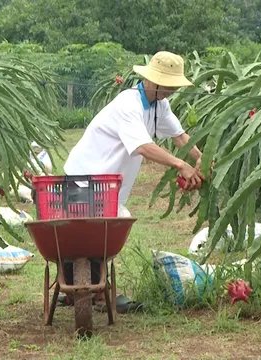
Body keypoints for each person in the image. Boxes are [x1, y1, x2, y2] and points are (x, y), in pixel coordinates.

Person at [58, 51, 205, 307]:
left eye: (174, 85)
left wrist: (200, 158)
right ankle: (95, 290)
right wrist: (181, 164)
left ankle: (89, 288)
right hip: (84, 176)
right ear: (151, 80)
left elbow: (180, 136)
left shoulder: (160, 105)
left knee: (103, 233)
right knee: (103, 231)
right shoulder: (129, 104)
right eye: (167, 84)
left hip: (107, 185)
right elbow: (142, 146)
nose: (171, 90)